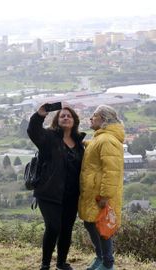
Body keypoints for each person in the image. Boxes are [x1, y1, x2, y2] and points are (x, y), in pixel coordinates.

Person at [27, 104, 85, 270]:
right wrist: (39, 116)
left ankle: (61, 263)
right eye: (62, 116)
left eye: (69, 116)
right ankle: (45, 264)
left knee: (66, 229)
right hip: (49, 192)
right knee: (53, 227)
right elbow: (33, 131)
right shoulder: (49, 138)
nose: (66, 118)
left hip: (71, 194)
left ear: (74, 121)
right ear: (57, 121)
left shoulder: (80, 144)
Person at [79, 105, 124, 270]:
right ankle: (100, 258)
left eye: (94, 115)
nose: (91, 118)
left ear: (104, 120)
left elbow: (111, 171)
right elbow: (94, 147)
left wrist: (105, 196)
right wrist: (81, 141)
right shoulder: (101, 138)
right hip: (94, 193)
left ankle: (107, 263)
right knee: (90, 224)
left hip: (101, 195)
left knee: (102, 227)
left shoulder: (107, 140)